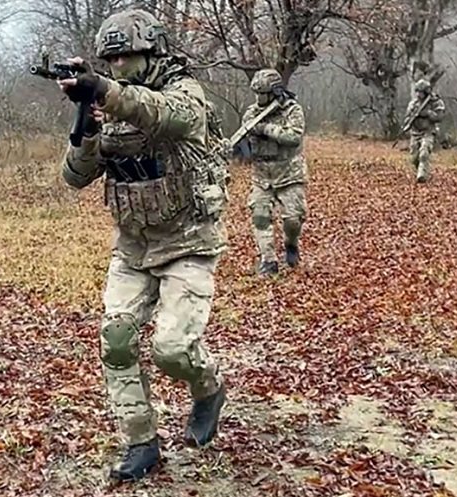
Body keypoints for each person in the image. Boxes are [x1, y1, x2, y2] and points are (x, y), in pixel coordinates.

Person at [56, 8, 228, 482]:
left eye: (127, 57)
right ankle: (141, 441)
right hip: (133, 247)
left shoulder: (183, 94)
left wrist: (105, 93)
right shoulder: (108, 105)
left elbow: (162, 115)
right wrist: (87, 128)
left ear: (153, 53)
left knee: (172, 349)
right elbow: (74, 178)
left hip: (188, 242)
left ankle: (208, 389)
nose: (118, 67)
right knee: (116, 340)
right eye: (109, 61)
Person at [241, 68, 307, 275]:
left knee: (293, 219)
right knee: (260, 216)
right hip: (262, 176)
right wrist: (241, 147)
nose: (259, 98)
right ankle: (268, 260)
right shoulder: (251, 114)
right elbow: (245, 146)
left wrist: (266, 129)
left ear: (275, 92)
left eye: (263, 94)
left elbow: (293, 137)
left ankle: (291, 244)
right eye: (257, 93)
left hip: (289, 173)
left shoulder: (291, 110)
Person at [403, 79, 446, 183]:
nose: (418, 94)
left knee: (424, 153)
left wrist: (427, 113)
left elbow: (439, 117)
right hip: (415, 133)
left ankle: (422, 175)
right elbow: (407, 117)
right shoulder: (413, 103)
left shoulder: (435, 102)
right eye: (417, 92)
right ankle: (420, 170)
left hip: (428, 131)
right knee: (414, 158)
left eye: (421, 92)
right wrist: (410, 121)